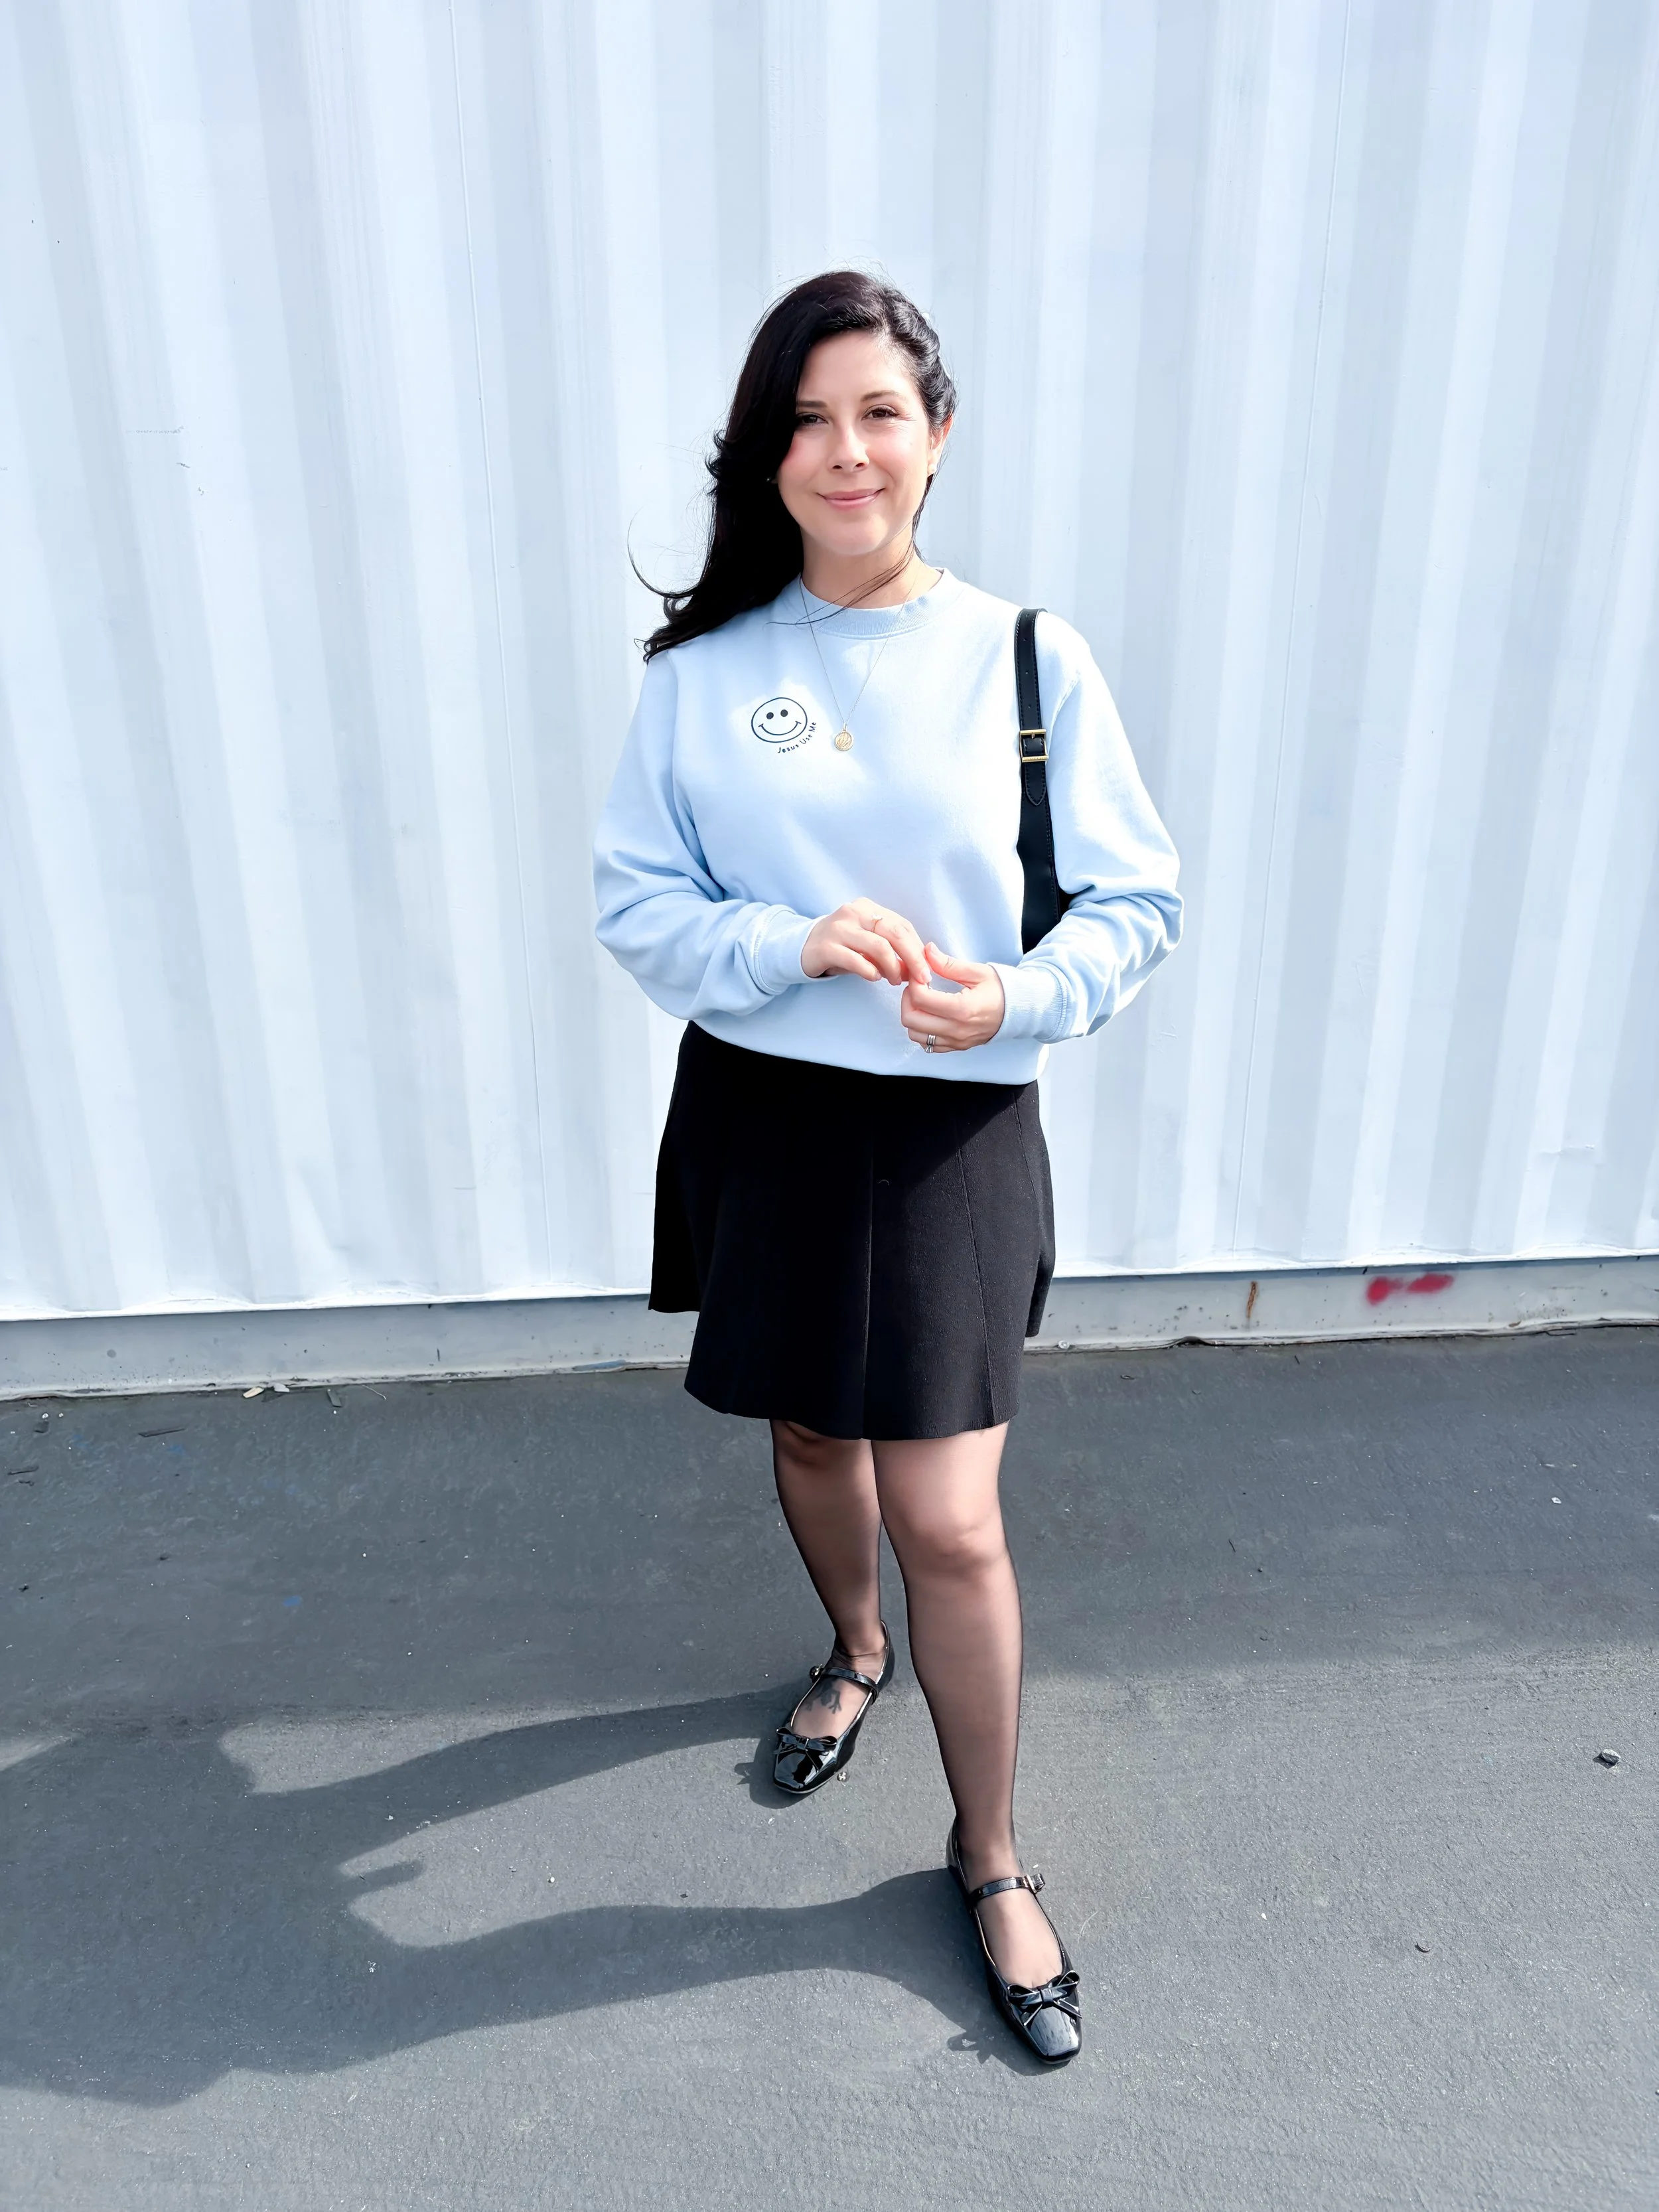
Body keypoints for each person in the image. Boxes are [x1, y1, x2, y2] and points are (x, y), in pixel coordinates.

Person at [592, 271, 1181, 2064]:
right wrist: (783, 944)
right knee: (806, 1431)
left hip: (949, 1127)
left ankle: (987, 1853)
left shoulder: (1024, 657)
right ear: (765, 459)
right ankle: (849, 1653)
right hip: (766, 1107)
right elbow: (640, 905)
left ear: (934, 438)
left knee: (951, 1510)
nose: (844, 450)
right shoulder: (705, 678)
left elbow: (1134, 902)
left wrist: (1011, 991)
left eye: (876, 412)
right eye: (806, 419)